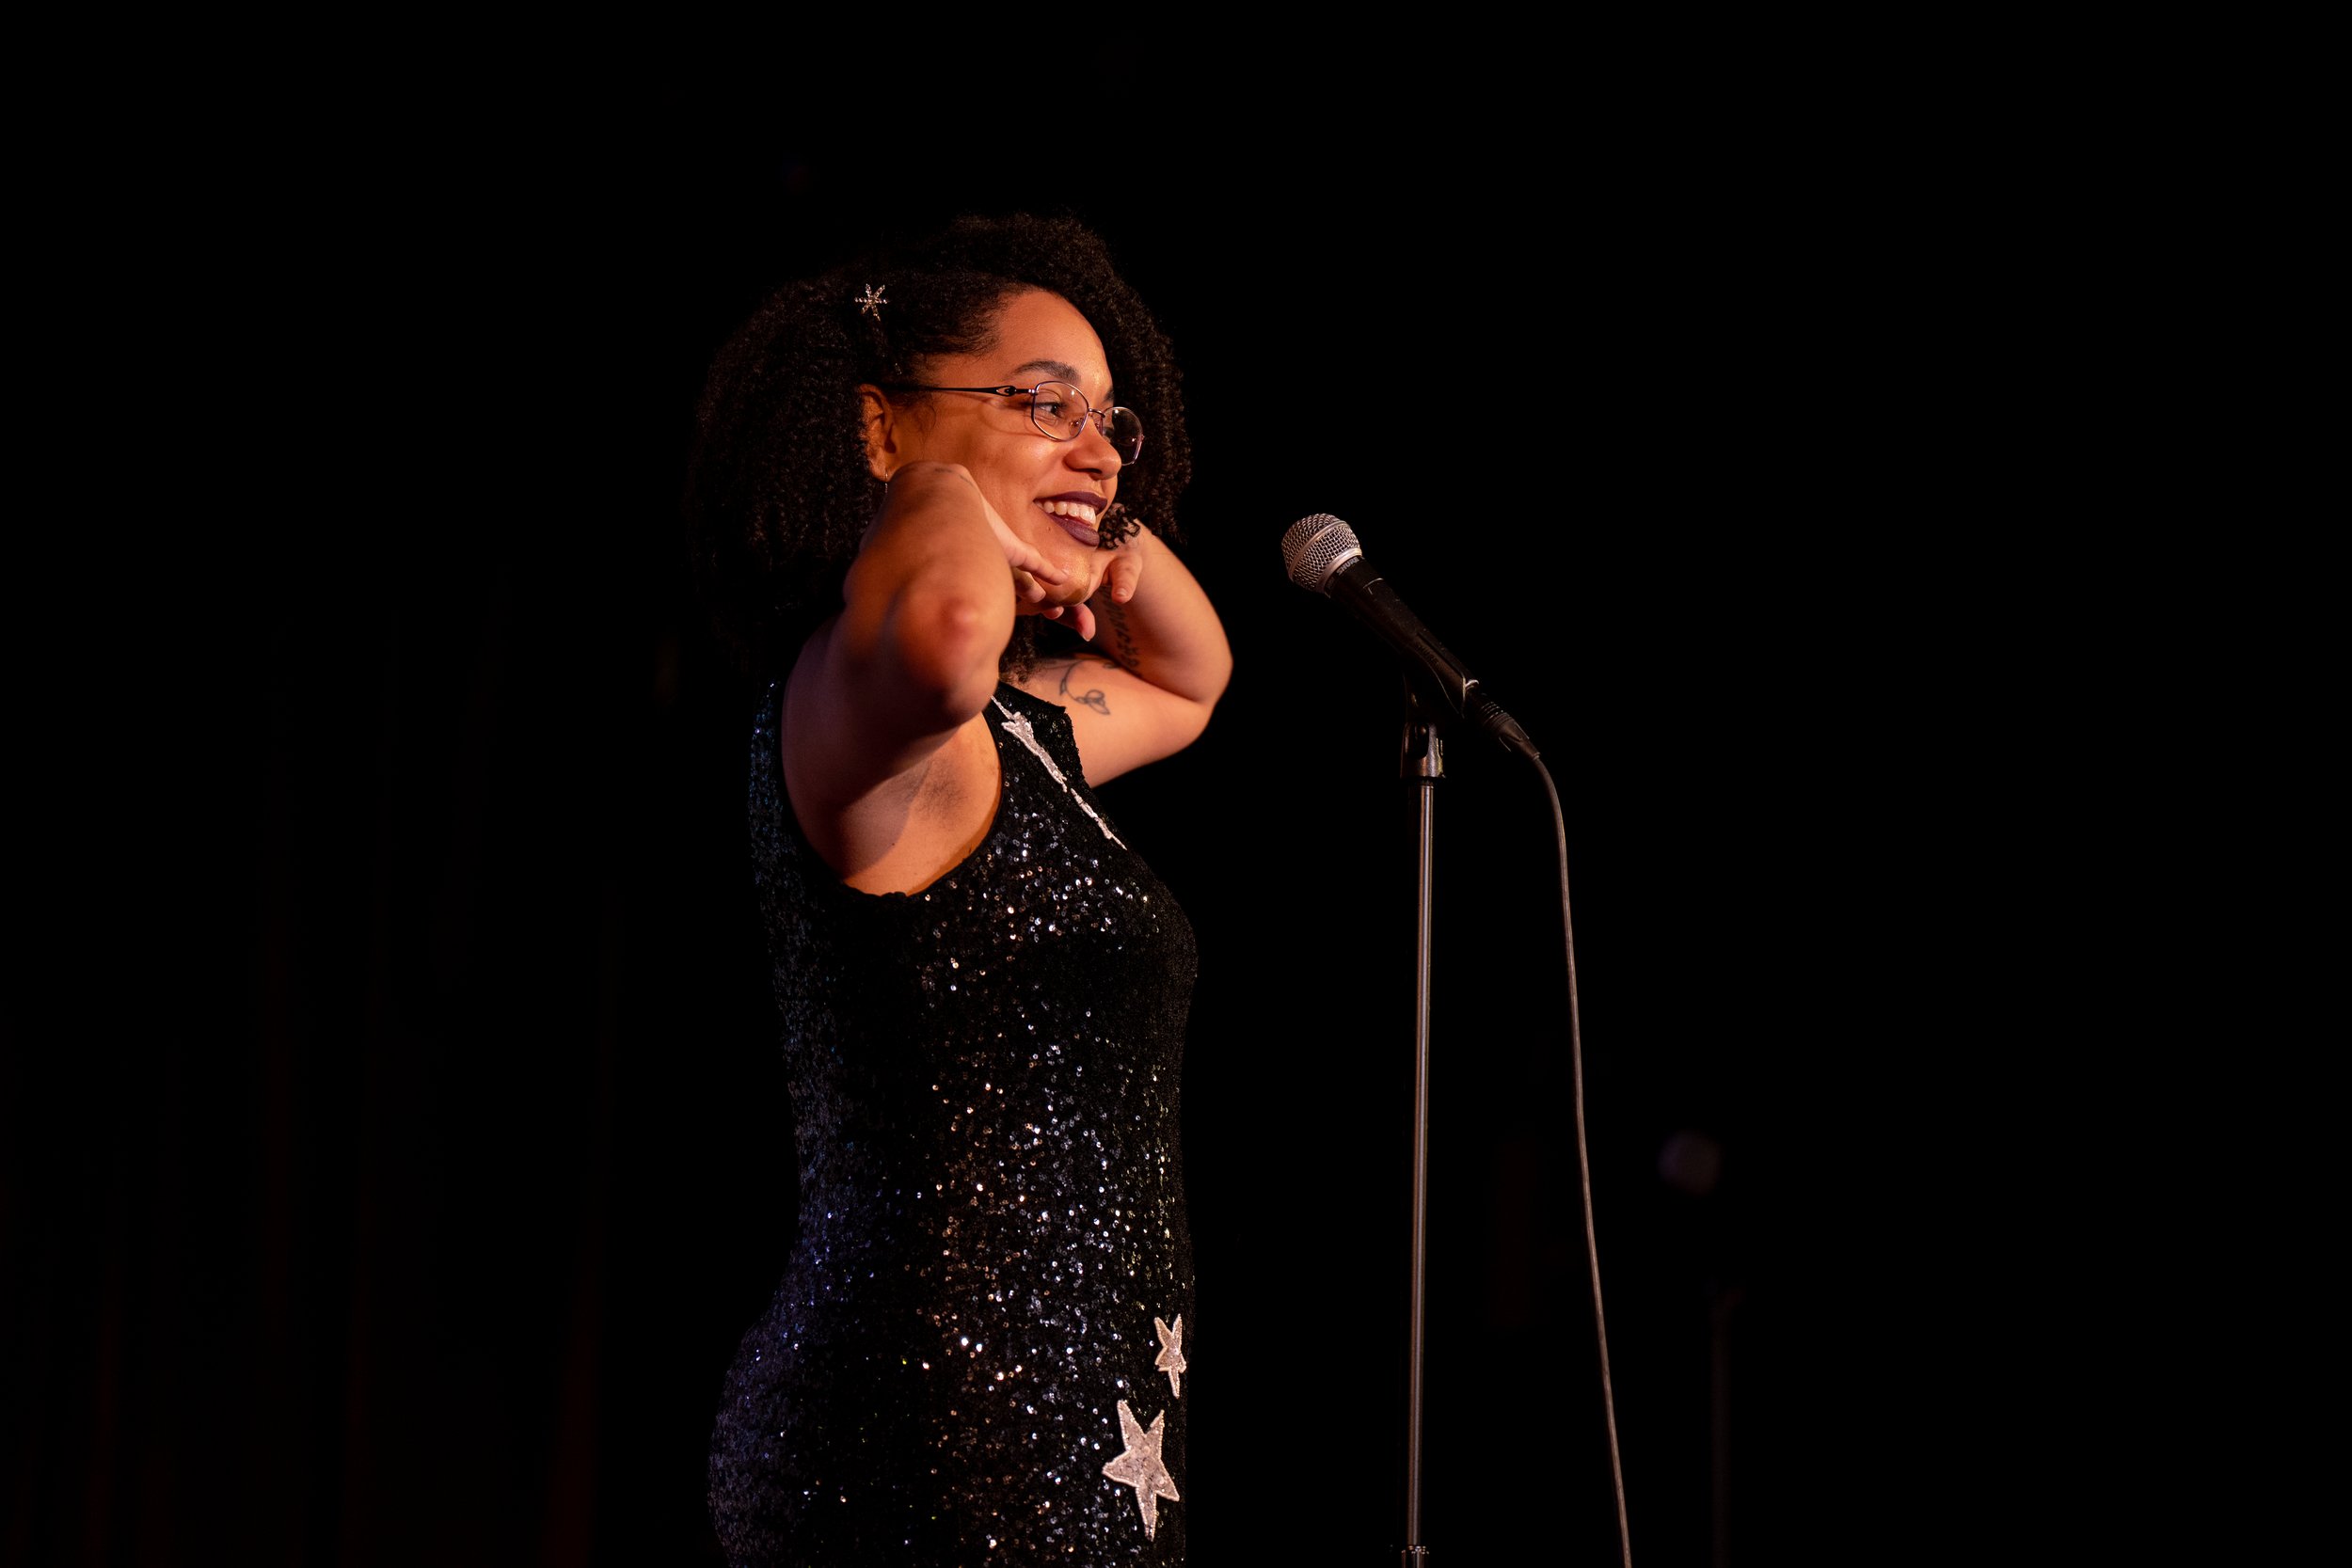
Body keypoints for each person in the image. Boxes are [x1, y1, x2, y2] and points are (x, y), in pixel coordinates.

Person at [685, 214, 1230, 1565]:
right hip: (918, 1442)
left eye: (1114, 423)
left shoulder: (1021, 741)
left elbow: (1189, 677)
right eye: (1044, 404)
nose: (1099, 448)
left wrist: (1093, 537)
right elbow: (942, 635)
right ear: (878, 429)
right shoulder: (860, 701)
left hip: (1088, 1445)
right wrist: (945, 502)